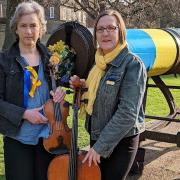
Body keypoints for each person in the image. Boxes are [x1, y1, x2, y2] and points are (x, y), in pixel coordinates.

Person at [70, 9, 147, 180]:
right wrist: (83, 86)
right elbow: (101, 92)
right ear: (95, 34)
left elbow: (128, 113)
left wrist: (100, 147)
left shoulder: (132, 64)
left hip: (121, 141)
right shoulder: (98, 64)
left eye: (111, 28)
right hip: (97, 135)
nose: (105, 33)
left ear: (120, 31)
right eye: (100, 29)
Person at [0, 1, 65, 180]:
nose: (29, 31)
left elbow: (56, 90)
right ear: (16, 29)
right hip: (18, 137)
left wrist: (59, 93)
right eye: (24, 26)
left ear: (41, 28)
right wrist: (24, 114)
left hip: (49, 136)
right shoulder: (4, 61)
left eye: (33, 25)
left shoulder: (51, 59)